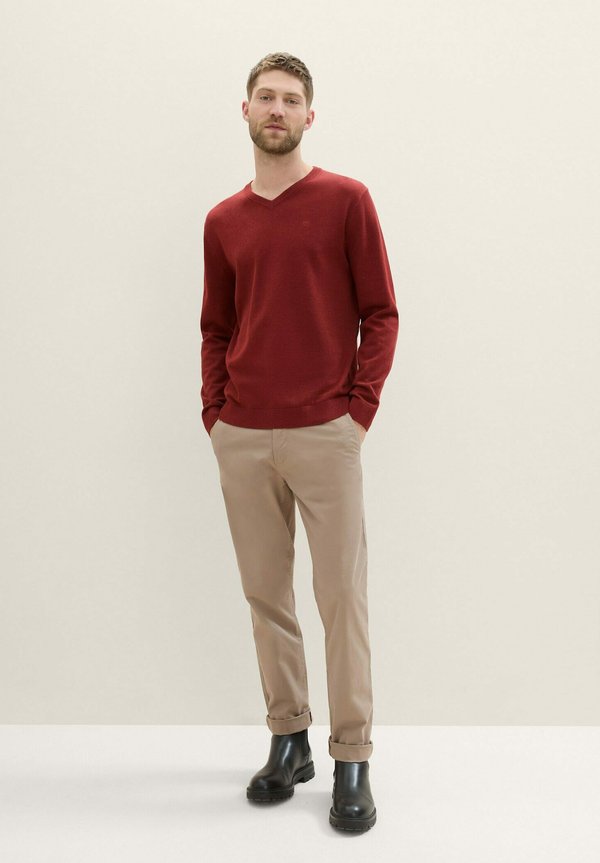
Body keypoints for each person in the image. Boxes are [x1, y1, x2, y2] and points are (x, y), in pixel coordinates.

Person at [200, 51, 399, 832]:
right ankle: (289, 739)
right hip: (243, 433)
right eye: (265, 97)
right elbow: (217, 326)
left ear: (309, 115)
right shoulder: (223, 221)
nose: (276, 109)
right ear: (246, 110)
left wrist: (358, 411)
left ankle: (352, 755)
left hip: (326, 431)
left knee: (341, 596)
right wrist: (216, 414)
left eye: (290, 99)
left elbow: (381, 312)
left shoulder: (347, 201)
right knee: (266, 595)